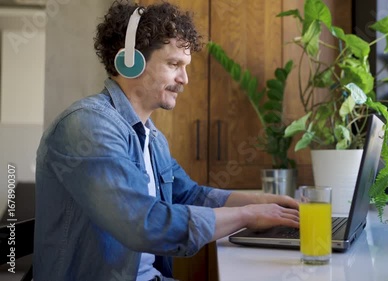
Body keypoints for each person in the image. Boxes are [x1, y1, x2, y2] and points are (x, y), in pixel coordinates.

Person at [33, 1, 299, 281]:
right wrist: (246, 216)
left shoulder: (151, 137)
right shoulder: (87, 127)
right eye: (174, 64)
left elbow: (190, 195)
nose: (184, 79)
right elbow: (144, 223)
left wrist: (266, 202)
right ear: (130, 61)